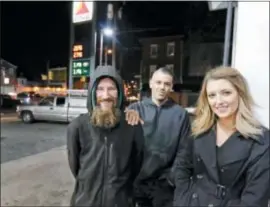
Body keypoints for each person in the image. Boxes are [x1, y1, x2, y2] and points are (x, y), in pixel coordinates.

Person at [173, 66, 270, 207]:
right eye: (212, 95)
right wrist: (182, 200)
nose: (218, 101)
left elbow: (256, 197)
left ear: (240, 94)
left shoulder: (261, 140)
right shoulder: (198, 129)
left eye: (226, 93)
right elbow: (181, 167)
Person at [67, 65, 144, 207]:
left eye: (112, 89)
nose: (106, 95)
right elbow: (75, 167)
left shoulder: (132, 126)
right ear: (92, 93)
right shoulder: (77, 127)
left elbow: (136, 166)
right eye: (100, 89)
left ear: (120, 93)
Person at [127, 67, 191, 207]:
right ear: (150, 83)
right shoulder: (135, 110)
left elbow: (184, 150)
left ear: (171, 87)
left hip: (164, 186)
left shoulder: (181, 115)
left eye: (166, 84)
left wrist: (171, 178)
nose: (162, 87)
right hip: (136, 183)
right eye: (158, 82)